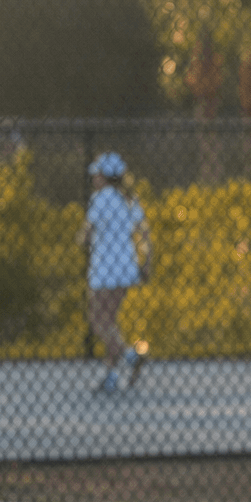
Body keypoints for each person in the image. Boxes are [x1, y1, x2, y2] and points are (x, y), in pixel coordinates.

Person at [78, 152, 151, 395]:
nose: (94, 179)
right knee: (110, 321)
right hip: (126, 268)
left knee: (99, 320)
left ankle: (130, 356)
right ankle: (111, 378)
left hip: (103, 269)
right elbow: (144, 233)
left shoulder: (100, 199)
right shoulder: (128, 199)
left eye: (97, 174)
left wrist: (82, 238)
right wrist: (146, 261)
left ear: (104, 176)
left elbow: (85, 235)